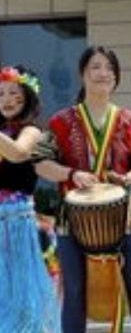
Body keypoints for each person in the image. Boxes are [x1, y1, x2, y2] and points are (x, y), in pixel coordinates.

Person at [33, 46, 131, 333]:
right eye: (95, 67)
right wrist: (71, 173)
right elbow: (41, 163)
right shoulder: (62, 121)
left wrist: (128, 178)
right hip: (72, 221)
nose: (103, 73)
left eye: (109, 68)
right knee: (75, 295)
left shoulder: (130, 120)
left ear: (116, 78)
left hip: (124, 219)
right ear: (82, 75)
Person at [0, 65, 61, 333]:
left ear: (27, 98)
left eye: (14, 93)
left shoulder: (33, 132)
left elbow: (17, 153)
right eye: (1, 93)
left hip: (18, 227)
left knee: (23, 303)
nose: (6, 99)